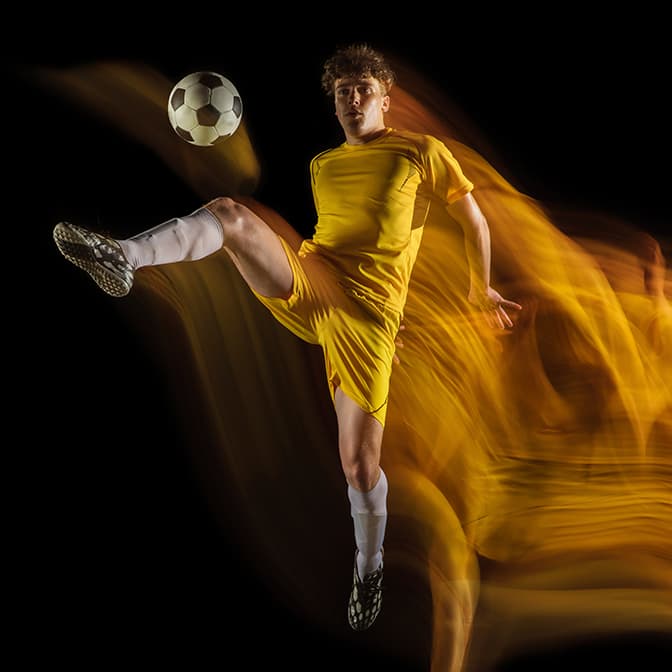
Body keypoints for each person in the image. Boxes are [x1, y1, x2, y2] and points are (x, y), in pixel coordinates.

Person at [52, 43, 522, 632]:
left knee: (357, 465)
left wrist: (481, 291)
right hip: (314, 279)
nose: (351, 100)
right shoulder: (323, 165)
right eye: (341, 92)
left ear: (383, 98)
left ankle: (369, 563)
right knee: (232, 215)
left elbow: (472, 218)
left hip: (368, 322)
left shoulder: (422, 153)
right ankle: (122, 256)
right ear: (334, 103)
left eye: (361, 90)